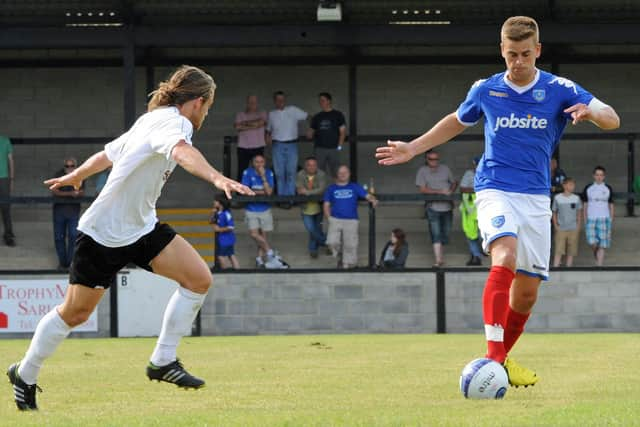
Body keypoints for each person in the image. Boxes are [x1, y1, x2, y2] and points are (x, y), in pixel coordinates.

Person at [375, 16, 619, 387]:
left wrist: (592, 113)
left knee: (526, 294)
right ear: (501, 52)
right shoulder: (486, 89)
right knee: (503, 253)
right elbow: (457, 121)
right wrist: (413, 147)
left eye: (525, 54)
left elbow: (612, 118)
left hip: (537, 197)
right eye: (510, 55)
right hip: (495, 188)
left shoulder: (560, 88)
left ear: (537, 50)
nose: (518, 62)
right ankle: (492, 360)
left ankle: (500, 361)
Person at [6, 65, 255, 411]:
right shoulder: (175, 123)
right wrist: (216, 178)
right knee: (74, 313)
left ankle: (163, 361)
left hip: (141, 228)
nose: (206, 113)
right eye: (209, 106)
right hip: (103, 233)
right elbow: (181, 152)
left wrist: (77, 175)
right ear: (199, 102)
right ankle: (25, 372)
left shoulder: (151, 119)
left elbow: (108, 154)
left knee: (198, 279)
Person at [323, 165, 378, 269]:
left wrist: (373, 199)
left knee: (351, 244)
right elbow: (326, 205)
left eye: (345, 172)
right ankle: (341, 256)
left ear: (349, 174)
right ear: (337, 175)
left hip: (351, 220)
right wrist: (329, 218)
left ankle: (346, 265)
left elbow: (367, 195)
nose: (343, 174)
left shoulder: (354, 186)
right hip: (335, 219)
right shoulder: (331, 188)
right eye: (341, 173)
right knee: (331, 242)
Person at [241, 154, 288, 269]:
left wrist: (263, 177)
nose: (259, 164)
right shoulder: (247, 172)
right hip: (251, 209)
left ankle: (259, 260)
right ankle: (271, 253)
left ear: (264, 163)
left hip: (265, 209)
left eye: (261, 162)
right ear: (253, 163)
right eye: (257, 162)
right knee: (254, 234)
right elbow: (246, 190)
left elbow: (269, 192)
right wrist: (260, 191)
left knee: (264, 237)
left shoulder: (268, 173)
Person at [415, 150, 457, 267]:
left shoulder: (445, 168)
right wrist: (440, 192)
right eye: (432, 159)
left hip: (447, 206)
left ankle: (440, 250)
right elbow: (422, 189)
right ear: (427, 160)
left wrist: (451, 191)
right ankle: (439, 260)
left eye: (436, 159)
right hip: (432, 207)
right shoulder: (422, 171)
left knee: (446, 232)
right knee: (436, 233)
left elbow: (454, 182)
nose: (435, 161)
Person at [266, 91, 308, 205]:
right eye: (278, 100)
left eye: (282, 100)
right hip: (277, 145)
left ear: (285, 100)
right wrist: (267, 137)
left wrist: (311, 129)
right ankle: (282, 199)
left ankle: (290, 199)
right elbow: (268, 129)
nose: (280, 102)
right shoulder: (271, 114)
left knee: (291, 173)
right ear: (275, 101)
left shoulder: (293, 110)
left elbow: (308, 117)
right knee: (279, 173)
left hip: (292, 144)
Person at [50, 157, 85, 271]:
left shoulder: (79, 175)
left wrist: (73, 194)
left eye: (72, 166)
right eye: (67, 166)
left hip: (73, 211)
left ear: (75, 166)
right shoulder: (58, 175)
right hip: (59, 210)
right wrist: (70, 193)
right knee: (59, 237)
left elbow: (81, 192)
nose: (69, 168)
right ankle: (62, 263)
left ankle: (69, 263)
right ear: (64, 167)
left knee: (73, 236)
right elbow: (54, 191)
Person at [307, 92, 347, 178]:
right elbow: (310, 133)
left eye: (323, 100)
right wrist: (309, 130)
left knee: (336, 172)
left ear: (329, 101)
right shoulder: (317, 116)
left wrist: (339, 147)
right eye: (320, 101)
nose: (321, 102)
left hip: (333, 148)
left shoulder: (338, 115)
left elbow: (343, 132)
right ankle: (321, 191)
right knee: (319, 173)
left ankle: (336, 190)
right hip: (320, 149)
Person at [296, 156, 328, 258]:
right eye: (309, 165)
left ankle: (313, 249)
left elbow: (321, 190)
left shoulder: (321, 174)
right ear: (305, 166)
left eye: (314, 165)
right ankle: (328, 243)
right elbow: (299, 190)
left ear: (317, 166)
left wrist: (307, 192)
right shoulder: (300, 174)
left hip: (319, 207)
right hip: (306, 208)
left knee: (317, 229)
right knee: (311, 229)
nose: (311, 167)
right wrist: (311, 192)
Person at [582, 166, 614, 266]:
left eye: (601, 175)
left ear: (604, 176)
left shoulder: (608, 188)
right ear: (594, 176)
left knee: (603, 243)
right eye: (597, 175)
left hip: (604, 218)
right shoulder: (588, 188)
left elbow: (611, 204)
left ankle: (599, 265)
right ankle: (597, 255)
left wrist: (611, 218)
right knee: (592, 242)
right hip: (591, 218)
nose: (599, 177)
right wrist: (585, 218)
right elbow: (585, 205)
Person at [234, 95, 267, 181]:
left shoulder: (262, 113)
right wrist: (255, 125)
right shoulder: (240, 114)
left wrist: (244, 124)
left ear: (257, 103)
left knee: (260, 170)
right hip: (243, 147)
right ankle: (240, 193)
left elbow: (261, 123)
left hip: (258, 146)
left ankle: (259, 191)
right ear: (247, 103)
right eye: (250, 102)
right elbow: (238, 127)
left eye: (254, 102)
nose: (252, 104)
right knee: (241, 171)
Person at [552, 178, 582, 267]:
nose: (572, 187)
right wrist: (556, 225)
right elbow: (554, 212)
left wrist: (578, 226)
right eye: (570, 184)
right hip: (561, 228)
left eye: (573, 185)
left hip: (573, 227)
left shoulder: (576, 198)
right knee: (558, 249)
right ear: (564, 185)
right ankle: (556, 267)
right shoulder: (557, 198)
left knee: (571, 250)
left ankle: (569, 267)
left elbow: (579, 213)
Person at [460, 156, 483, 266]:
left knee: (482, 234)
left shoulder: (489, 172)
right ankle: (476, 256)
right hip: (470, 209)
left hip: (485, 208)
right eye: (477, 164)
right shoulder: (469, 174)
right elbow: (463, 188)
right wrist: (479, 189)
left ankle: (487, 252)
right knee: (471, 233)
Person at [210, 196, 239, 270]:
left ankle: (225, 271)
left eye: (216, 201)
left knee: (221, 256)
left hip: (226, 239)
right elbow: (212, 222)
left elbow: (231, 226)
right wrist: (213, 214)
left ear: (220, 203)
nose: (214, 202)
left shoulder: (226, 214)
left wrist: (220, 229)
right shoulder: (217, 213)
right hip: (222, 239)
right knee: (231, 255)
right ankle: (237, 270)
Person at [0, 134, 15, 246]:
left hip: (3, 178)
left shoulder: (5, 141)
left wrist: (12, 179)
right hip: (4, 179)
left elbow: (10, 160)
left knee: (6, 208)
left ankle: (8, 235)